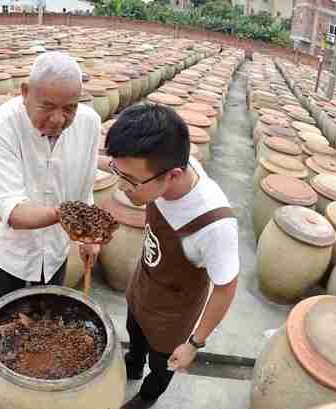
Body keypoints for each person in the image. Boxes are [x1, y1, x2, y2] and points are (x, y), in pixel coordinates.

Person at [105, 103, 239, 409]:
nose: (122, 186)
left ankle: (147, 397)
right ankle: (133, 362)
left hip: (174, 313)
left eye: (131, 181)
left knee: (162, 364)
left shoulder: (215, 226)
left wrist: (194, 343)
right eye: (118, 172)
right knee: (134, 331)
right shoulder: (164, 164)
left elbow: (225, 287)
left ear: (173, 175)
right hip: (145, 283)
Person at [0, 51, 101, 311]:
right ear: (25, 92)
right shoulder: (1, 126)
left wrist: (88, 236)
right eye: (47, 107)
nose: (59, 119)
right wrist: (67, 215)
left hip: (55, 253)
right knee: (1, 327)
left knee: (47, 322)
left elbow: (85, 188)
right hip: (7, 255)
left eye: (70, 109)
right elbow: (11, 211)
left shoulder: (90, 124)